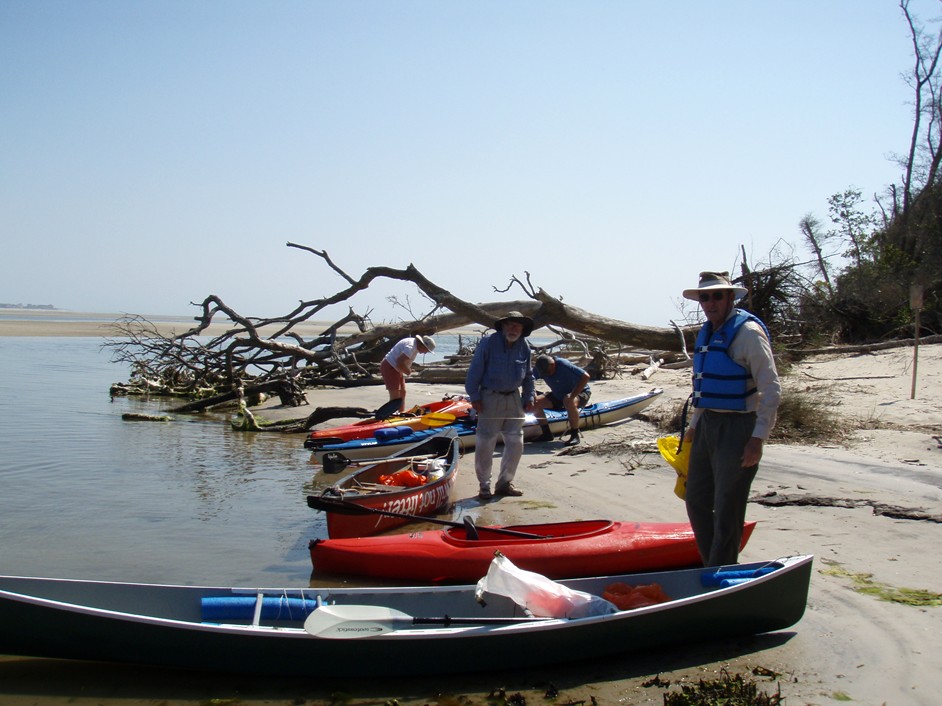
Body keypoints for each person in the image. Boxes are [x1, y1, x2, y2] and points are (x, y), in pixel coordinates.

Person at [681, 271, 781, 567]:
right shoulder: (708, 332)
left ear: (729, 297)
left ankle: (719, 571)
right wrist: (693, 428)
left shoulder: (748, 333)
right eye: (704, 296)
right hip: (708, 423)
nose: (709, 302)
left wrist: (757, 438)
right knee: (696, 500)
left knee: (727, 507)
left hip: (739, 427)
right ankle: (714, 563)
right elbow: (704, 386)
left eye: (716, 295)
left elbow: (771, 388)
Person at [464, 311, 536, 500]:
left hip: (514, 398)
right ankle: (484, 486)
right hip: (490, 397)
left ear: (522, 329)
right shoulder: (488, 343)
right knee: (485, 443)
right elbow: (474, 372)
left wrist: (529, 396)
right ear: (503, 327)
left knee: (516, 443)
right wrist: (475, 397)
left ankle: (504, 483)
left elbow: (528, 375)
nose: (513, 329)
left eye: (517, 326)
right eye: (510, 325)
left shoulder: (524, 346)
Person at [531, 354, 591, 445]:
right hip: (558, 394)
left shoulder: (563, 365)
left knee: (568, 399)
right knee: (534, 402)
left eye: (548, 371)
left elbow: (586, 376)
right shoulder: (539, 368)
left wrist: (573, 396)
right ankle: (546, 433)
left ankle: (575, 435)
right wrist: (532, 393)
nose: (547, 374)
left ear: (552, 364)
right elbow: (529, 379)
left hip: (580, 393)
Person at [378, 335, 436, 416]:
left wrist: (407, 368)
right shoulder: (411, 347)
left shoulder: (414, 345)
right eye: (426, 350)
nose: (425, 352)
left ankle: (401, 413)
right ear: (422, 345)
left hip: (397, 368)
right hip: (390, 367)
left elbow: (402, 362)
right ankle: (391, 414)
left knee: (402, 392)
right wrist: (408, 371)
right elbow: (399, 362)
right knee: (395, 395)